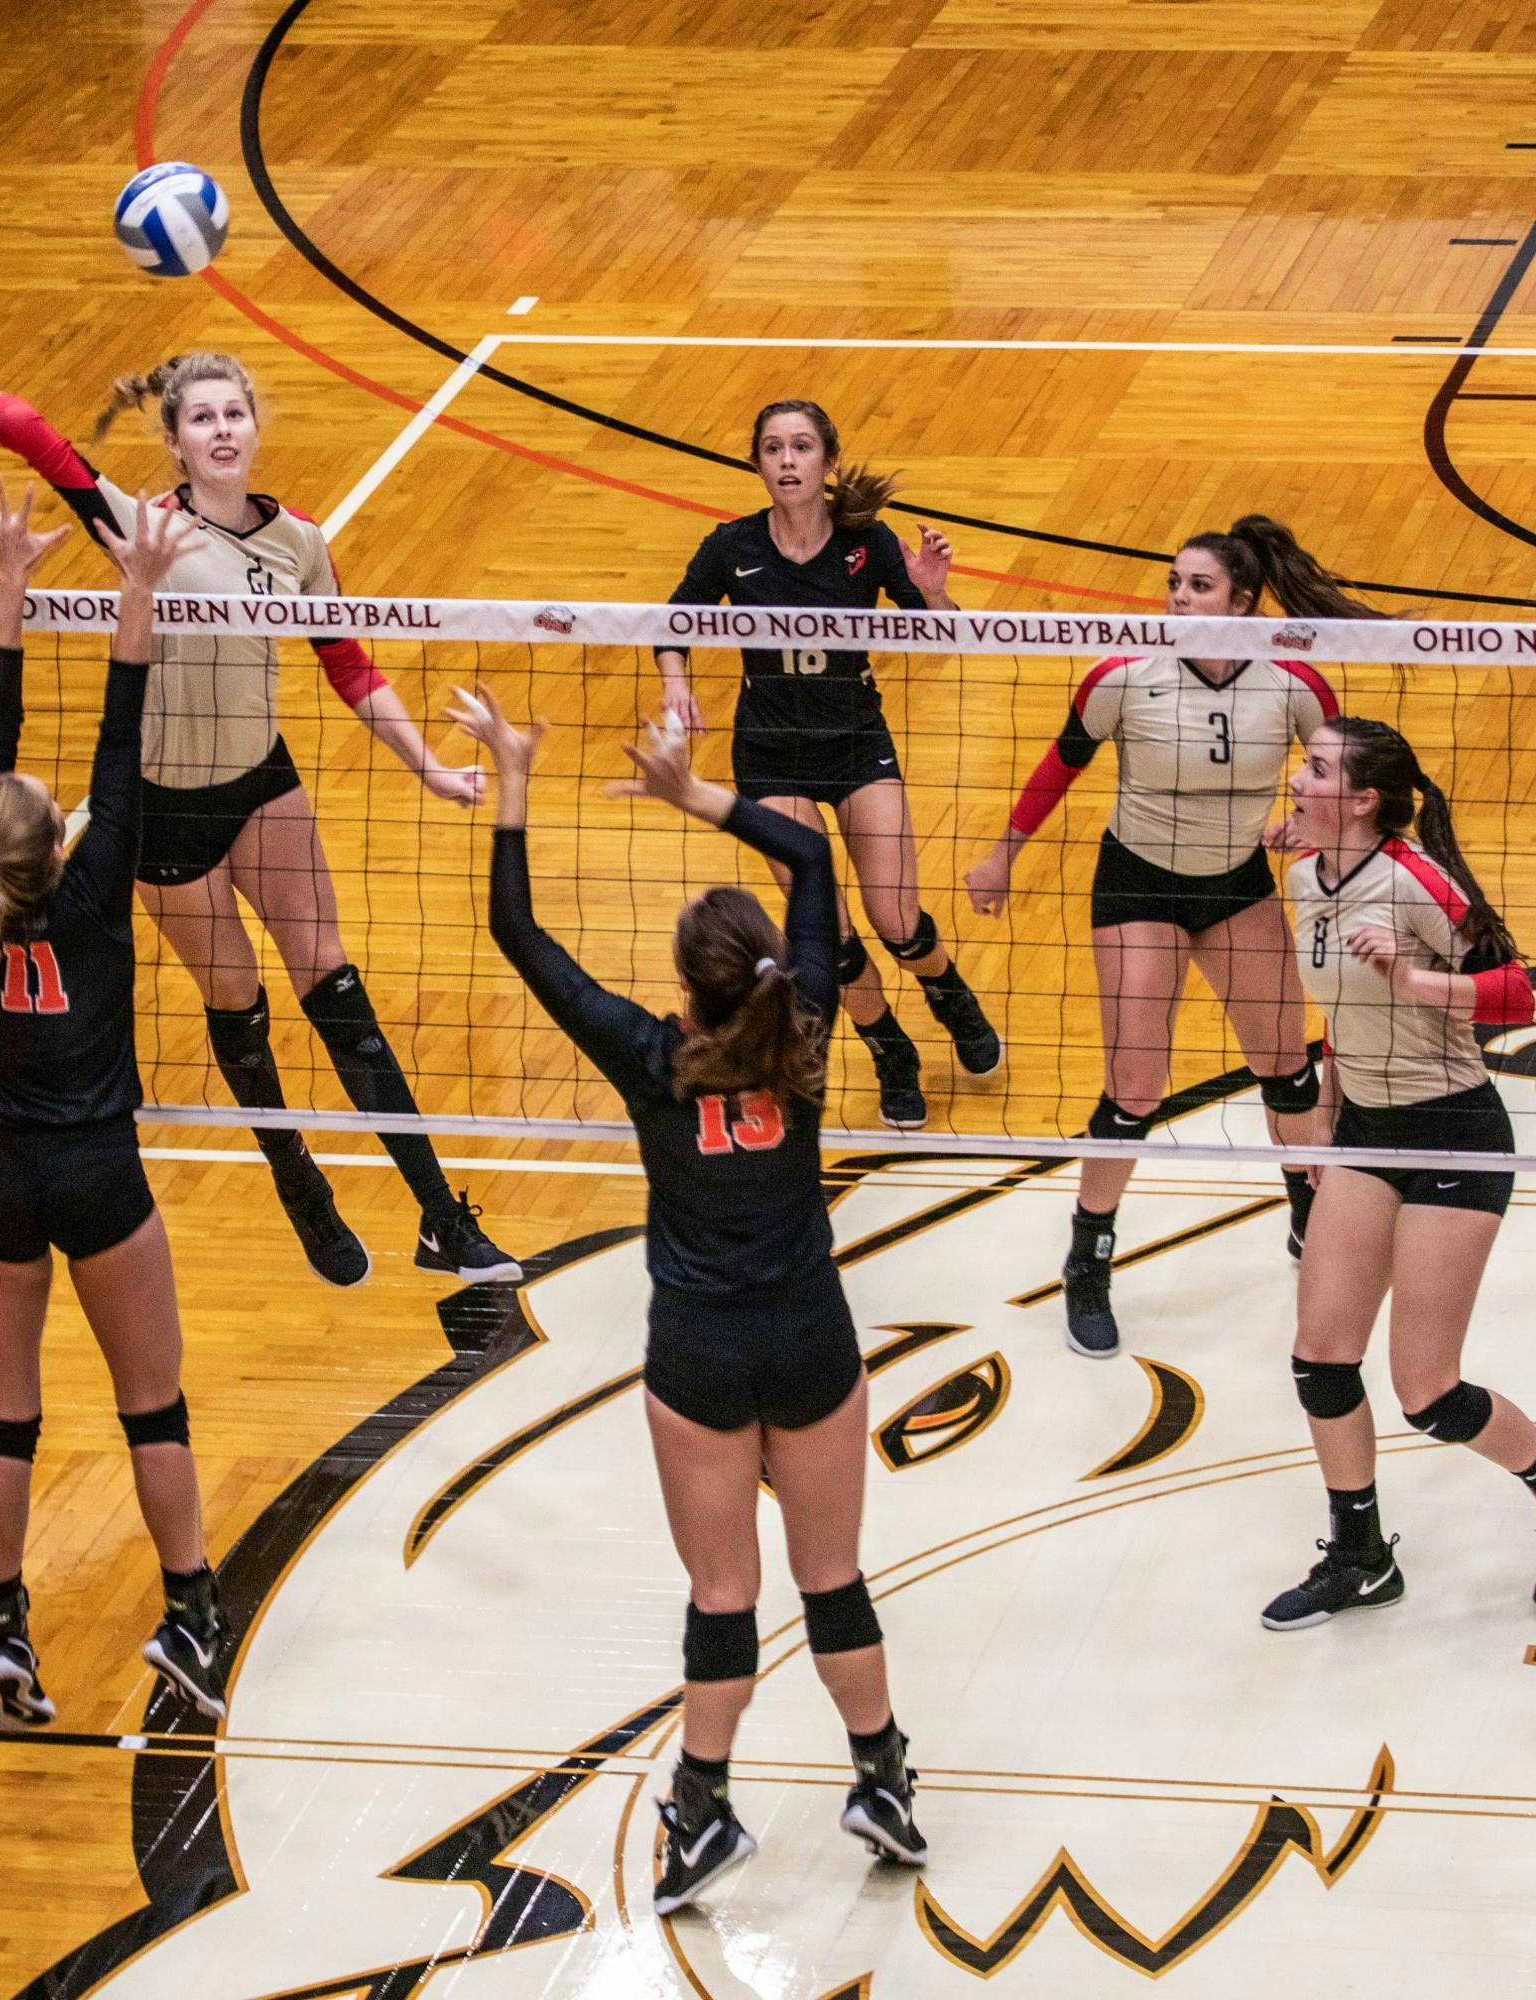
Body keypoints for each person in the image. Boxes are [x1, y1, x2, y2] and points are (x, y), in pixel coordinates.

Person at [454, 686, 926, 1914]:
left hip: (700, 1352)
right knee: (833, 1577)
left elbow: (515, 931)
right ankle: (881, 1779)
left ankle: (704, 1808)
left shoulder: (649, 1057)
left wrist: (514, 779)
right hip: (809, 1335)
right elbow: (812, 859)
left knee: (724, 1596)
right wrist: (697, 793)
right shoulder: (805, 1030)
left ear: (683, 989)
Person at [0, 356, 519, 1287]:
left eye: (234, 415)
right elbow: (56, 455)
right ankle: (299, 1181)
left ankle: (440, 1217)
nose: (222, 431)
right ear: (174, 441)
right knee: (239, 1005)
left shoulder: (300, 541)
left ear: (256, 428)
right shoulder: (143, 528)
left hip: (262, 784)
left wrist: (424, 765)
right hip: (164, 814)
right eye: (202, 419)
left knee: (336, 986)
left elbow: (349, 664)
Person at [0, 479, 228, 1728]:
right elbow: (123, 727)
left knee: (3, 1417)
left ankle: (2, 1629)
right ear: (58, 845)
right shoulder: (101, 877)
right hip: (98, 1175)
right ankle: (192, 1615)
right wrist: (139, 587)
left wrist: (10, 585)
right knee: (151, 1405)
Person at [965, 517, 1358, 1357]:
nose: (1179, 597)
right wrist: (1001, 856)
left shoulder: (1293, 682)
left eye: (1199, 586)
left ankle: (1308, 1208)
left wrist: (1309, 824)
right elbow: (1060, 762)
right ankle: (1088, 1257)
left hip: (1236, 884)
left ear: (1242, 602)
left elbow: (1343, 776)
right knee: (1136, 1089)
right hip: (1138, 884)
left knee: (1287, 1070)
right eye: (1174, 583)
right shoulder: (1123, 675)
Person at [1264, 715, 1536, 1628]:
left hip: (1452, 1134)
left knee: (1426, 1390)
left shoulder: (1415, 881)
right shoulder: (1305, 879)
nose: (1297, 779)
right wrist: (1328, 1118)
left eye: (1315, 769)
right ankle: (1362, 1559)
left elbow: (1517, 994)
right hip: (1365, 1132)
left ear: (1363, 799)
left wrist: (1418, 981)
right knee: (1320, 1359)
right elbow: (1342, 1011)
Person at [654, 397, 1000, 1131]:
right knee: (833, 942)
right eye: (773, 448)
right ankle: (891, 1053)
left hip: (855, 744)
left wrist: (934, 592)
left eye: (802, 446)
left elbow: (941, 641)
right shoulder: (732, 546)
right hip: (770, 755)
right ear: (758, 463)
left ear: (828, 461)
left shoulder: (866, 545)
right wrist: (676, 684)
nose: (787, 460)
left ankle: (949, 992)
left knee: (896, 920)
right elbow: (671, 622)